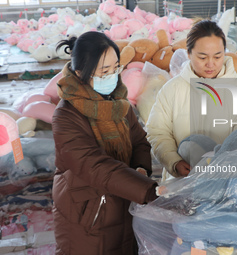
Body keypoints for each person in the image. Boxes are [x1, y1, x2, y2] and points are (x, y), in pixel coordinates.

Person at [52, 31, 158, 255]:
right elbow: (94, 166)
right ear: (80, 73)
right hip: (87, 214)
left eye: (115, 68)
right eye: (104, 71)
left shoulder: (119, 103)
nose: (112, 76)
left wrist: (140, 169)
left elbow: (139, 140)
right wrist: (147, 190)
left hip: (123, 201)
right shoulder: (66, 116)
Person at [146, 20, 237, 181]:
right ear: (188, 53)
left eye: (217, 56)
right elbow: (157, 131)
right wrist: (174, 162)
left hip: (229, 181)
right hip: (182, 182)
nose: (211, 64)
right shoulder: (172, 89)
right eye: (202, 57)